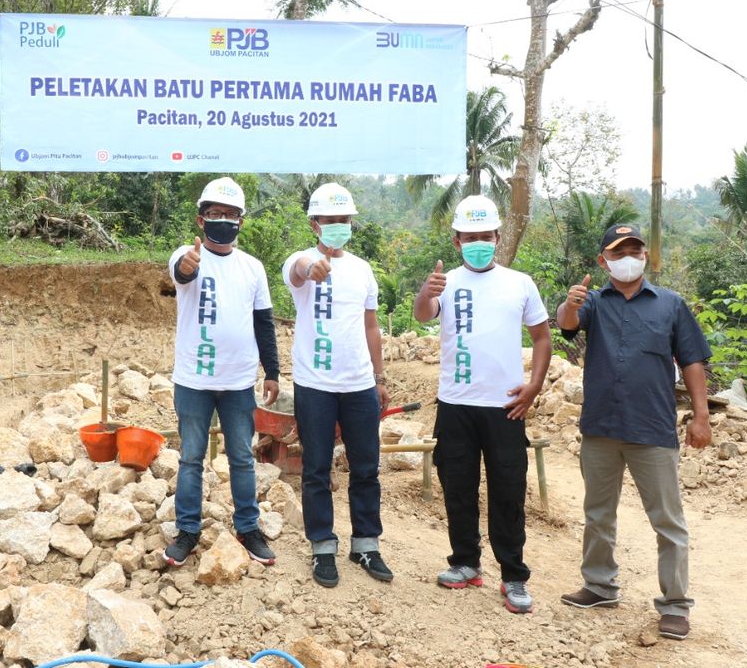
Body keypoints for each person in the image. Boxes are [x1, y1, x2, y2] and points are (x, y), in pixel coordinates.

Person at [556, 224, 712, 640]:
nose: (628, 257)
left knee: (667, 520)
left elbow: (693, 360)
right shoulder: (592, 302)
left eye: (635, 250)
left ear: (645, 256)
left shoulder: (671, 304)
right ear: (603, 261)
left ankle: (675, 605)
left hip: (653, 427)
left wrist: (701, 416)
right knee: (598, 514)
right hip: (601, 427)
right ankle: (599, 585)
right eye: (618, 251)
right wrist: (570, 304)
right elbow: (566, 325)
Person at [412, 195, 552, 614]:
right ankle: (465, 563)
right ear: (456, 241)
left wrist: (534, 386)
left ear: (497, 237)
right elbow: (422, 315)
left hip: (506, 408)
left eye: (485, 236)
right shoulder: (447, 281)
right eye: (470, 237)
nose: (479, 243)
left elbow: (542, 338)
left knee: (508, 491)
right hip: (455, 404)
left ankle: (513, 576)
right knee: (458, 487)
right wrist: (425, 292)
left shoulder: (520, 282)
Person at [164, 177, 280, 567]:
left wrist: (273, 371)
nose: (223, 220)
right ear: (201, 220)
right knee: (191, 457)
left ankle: (248, 528)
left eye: (231, 215)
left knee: (243, 459)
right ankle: (187, 532)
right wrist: (187, 266)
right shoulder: (187, 253)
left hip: (237, 381)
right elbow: (182, 274)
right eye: (215, 213)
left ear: (241, 222)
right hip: (193, 379)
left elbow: (264, 322)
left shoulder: (253, 267)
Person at [283, 183, 392, 588]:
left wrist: (379, 378)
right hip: (314, 384)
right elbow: (296, 270)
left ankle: (366, 543)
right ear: (315, 224)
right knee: (316, 469)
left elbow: (370, 325)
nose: (338, 226)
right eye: (330, 221)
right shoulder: (303, 262)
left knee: (366, 467)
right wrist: (309, 268)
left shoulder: (362, 269)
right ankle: (322, 547)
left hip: (360, 384)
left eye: (344, 220)